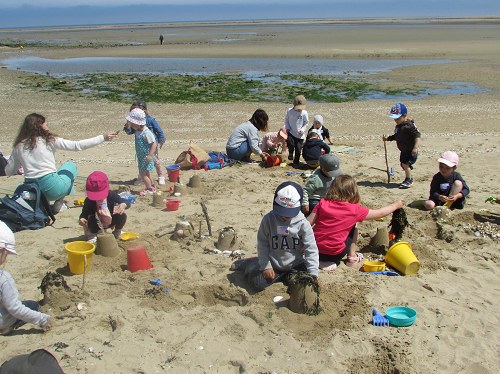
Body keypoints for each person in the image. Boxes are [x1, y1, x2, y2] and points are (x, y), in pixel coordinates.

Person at [5, 113, 118, 213]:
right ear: (39, 126)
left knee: (57, 173)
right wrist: (102, 137)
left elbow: (9, 171)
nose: (47, 127)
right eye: (46, 125)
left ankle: (42, 202)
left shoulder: (19, 145)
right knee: (70, 166)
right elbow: (76, 146)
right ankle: (59, 203)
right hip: (52, 189)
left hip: (32, 189)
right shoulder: (49, 140)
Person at [230, 181, 319, 291]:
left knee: (301, 285)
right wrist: (266, 266)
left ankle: (285, 276)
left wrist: (313, 274)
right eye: (282, 212)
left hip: (296, 264)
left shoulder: (303, 224)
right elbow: (262, 243)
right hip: (273, 262)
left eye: (289, 213)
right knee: (257, 283)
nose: (285, 216)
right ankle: (249, 263)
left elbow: (311, 249)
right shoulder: (268, 220)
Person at [307, 175, 404, 271]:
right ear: (352, 192)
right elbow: (379, 213)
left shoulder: (322, 203)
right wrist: (395, 205)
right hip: (335, 254)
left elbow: (307, 224)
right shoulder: (354, 210)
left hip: (314, 251)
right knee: (354, 226)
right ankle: (352, 258)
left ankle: (320, 260)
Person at [0, 221, 51, 335]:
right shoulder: (4, 278)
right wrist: (44, 319)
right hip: (2, 320)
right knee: (32, 305)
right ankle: (6, 328)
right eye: (5, 254)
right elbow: (15, 308)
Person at [79, 171, 131, 243]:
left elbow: (126, 201)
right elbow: (84, 213)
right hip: (95, 224)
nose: (98, 197)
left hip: (109, 220)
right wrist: (81, 219)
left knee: (122, 215)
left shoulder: (111, 195)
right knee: (90, 218)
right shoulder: (89, 200)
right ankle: (92, 236)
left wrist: (123, 204)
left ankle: (117, 232)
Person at [124, 101, 167, 185]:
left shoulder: (150, 120)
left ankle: (160, 175)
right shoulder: (134, 125)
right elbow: (130, 132)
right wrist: (128, 126)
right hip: (141, 148)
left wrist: (162, 140)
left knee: (155, 161)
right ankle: (142, 175)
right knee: (142, 163)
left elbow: (159, 130)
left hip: (151, 145)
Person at [383, 103, 421, 189]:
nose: (395, 120)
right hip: (404, 150)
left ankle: (409, 180)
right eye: (394, 118)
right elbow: (397, 136)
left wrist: (415, 148)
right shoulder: (399, 126)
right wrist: (388, 138)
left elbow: (417, 136)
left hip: (411, 150)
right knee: (403, 164)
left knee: (405, 164)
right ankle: (409, 173)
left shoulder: (409, 126)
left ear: (404, 115)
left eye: (397, 118)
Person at [125, 108, 157, 195]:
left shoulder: (146, 132)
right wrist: (128, 124)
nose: (131, 126)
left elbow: (154, 144)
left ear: (138, 124)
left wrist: (150, 155)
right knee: (147, 173)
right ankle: (153, 185)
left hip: (146, 157)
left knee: (143, 174)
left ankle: (149, 189)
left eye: (133, 124)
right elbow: (128, 129)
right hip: (141, 157)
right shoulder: (138, 130)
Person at [285, 95, 309, 166]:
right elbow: (286, 120)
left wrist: (302, 129)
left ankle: (296, 161)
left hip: (300, 135)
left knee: (298, 149)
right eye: (298, 108)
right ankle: (290, 153)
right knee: (290, 144)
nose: (299, 110)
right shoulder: (290, 111)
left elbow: (306, 122)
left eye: (300, 108)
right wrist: (287, 127)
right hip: (291, 131)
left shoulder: (304, 113)